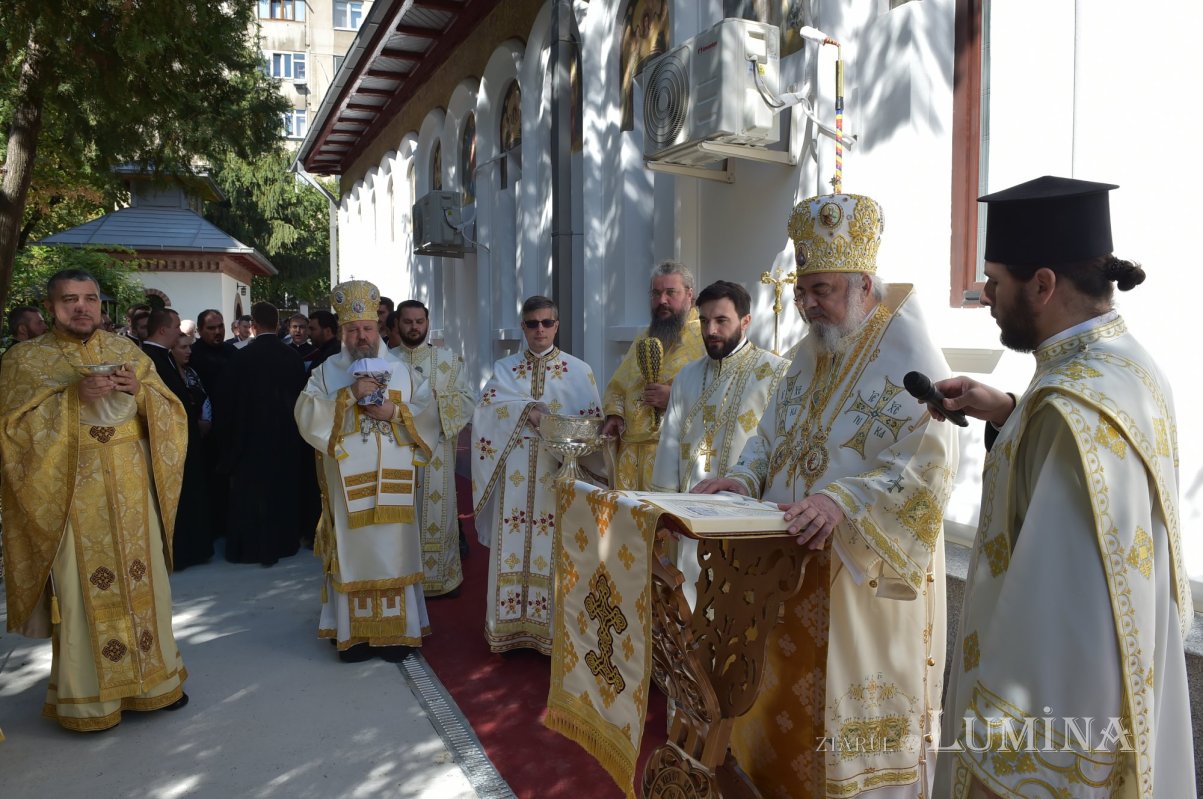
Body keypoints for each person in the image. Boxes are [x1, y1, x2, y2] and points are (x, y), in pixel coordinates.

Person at [932, 177, 1195, 798]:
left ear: (1043, 284)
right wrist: (1009, 411)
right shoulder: (1126, 367)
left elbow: (1057, 619)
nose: (985, 296)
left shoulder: (1070, 408)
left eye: (995, 281)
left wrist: (1003, 774)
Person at [694, 193, 959, 797]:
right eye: (802, 292)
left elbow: (930, 462)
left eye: (822, 290)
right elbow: (770, 435)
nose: (809, 305)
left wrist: (841, 501)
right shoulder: (813, 351)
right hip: (786, 569)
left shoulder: (911, 353)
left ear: (863, 285)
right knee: (779, 719)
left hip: (857, 579)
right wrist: (743, 478)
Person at [0, 269, 190, 732]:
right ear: (51, 307)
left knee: (146, 584)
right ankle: (91, 702)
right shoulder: (24, 360)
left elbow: (172, 411)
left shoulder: (127, 351)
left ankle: (155, 684)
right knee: (80, 593)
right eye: (70, 300)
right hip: (70, 495)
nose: (81, 307)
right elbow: (11, 432)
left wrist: (139, 393)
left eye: (89, 298)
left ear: (100, 305)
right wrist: (72, 398)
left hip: (131, 490)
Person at [295, 280, 439, 662]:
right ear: (343, 332)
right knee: (353, 555)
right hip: (347, 487)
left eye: (368, 328)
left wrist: (395, 412)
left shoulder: (404, 372)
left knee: (395, 552)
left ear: (380, 328)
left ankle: (397, 635)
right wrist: (348, 396)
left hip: (395, 484)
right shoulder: (326, 373)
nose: (362, 336)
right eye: (353, 329)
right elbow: (306, 414)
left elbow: (428, 414)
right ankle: (354, 636)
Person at [471, 296, 603, 655]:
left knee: (554, 549)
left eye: (546, 323)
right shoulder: (505, 369)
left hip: (556, 476)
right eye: (532, 323)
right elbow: (484, 412)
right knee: (512, 547)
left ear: (556, 326)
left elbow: (592, 426)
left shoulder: (579, 371)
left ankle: (552, 633)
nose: (539, 330)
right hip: (512, 476)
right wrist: (526, 410)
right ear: (523, 327)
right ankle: (509, 629)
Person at [649, 280, 788, 606]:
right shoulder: (687, 376)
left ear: (745, 321)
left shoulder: (776, 373)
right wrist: (663, 511)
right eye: (705, 320)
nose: (710, 330)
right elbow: (669, 444)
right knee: (690, 602)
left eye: (721, 320)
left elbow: (778, 447)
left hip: (745, 519)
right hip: (690, 518)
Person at [391, 300, 475, 597]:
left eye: (420, 321)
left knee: (439, 513)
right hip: (396, 451)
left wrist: (429, 403)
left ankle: (441, 579)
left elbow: (467, 400)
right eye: (408, 321)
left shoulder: (449, 361)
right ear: (397, 324)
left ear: (427, 323)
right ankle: (400, 578)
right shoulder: (384, 362)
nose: (414, 327)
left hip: (437, 451)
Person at [216, 302, 309, 566]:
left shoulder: (241, 357)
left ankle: (249, 549)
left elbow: (227, 401)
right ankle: (283, 543)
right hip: (285, 437)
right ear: (278, 325)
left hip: (249, 439)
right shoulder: (292, 357)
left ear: (254, 326)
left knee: (251, 496)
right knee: (281, 492)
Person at [601, 261, 704, 489]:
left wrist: (674, 399)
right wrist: (615, 415)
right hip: (631, 456)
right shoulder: (644, 337)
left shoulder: (704, 338)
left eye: (670, 292)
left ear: (689, 295)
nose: (662, 300)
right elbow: (619, 384)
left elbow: (717, 392)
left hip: (673, 457)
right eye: (656, 293)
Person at [142, 308, 213, 569]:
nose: (179, 332)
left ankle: (193, 549)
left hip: (183, 437)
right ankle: (180, 552)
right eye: (176, 327)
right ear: (163, 330)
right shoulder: (148, 359)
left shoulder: (164, 356)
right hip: (167, 441)